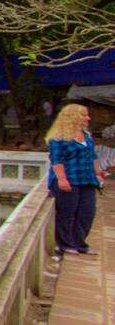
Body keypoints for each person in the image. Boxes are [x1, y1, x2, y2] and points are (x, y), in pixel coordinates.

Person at [46, 104, 104, 256]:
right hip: (69, 179)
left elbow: (93, 157)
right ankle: (66, 244)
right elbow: (57, 160)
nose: (88, 118)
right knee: (66, 213)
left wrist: (98, 174)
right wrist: (62, 179)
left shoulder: (87, 136)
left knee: (87, 212)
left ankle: (80, 243)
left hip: (87, 179)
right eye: (84, 115)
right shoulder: (58, 138)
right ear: (73, 117)